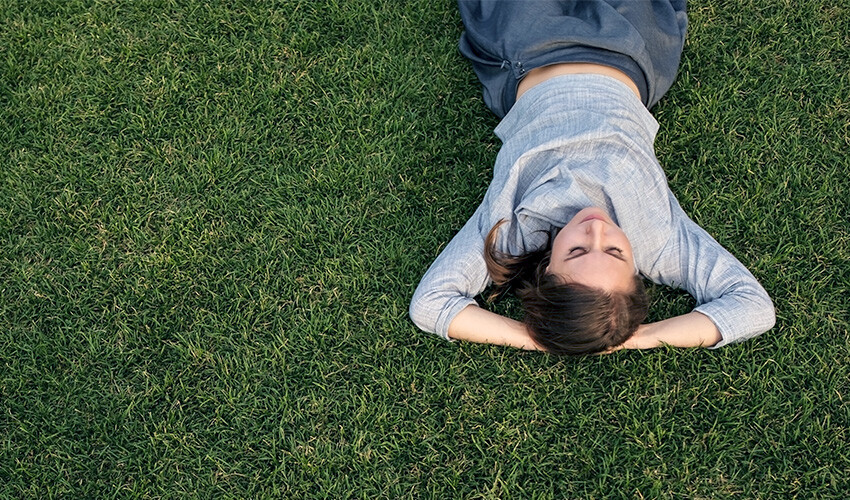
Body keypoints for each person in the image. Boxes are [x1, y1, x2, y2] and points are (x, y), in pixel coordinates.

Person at [409, 0, 776, 354]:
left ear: (547, 269)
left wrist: (535, 337)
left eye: (577, 250)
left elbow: (431, 304)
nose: (596, 229)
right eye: (615, 251)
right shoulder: (660, 243)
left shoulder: (513, 233)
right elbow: (752, 307)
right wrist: (639, 337)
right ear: (635, 269)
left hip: (531, 49)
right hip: (629, 51)